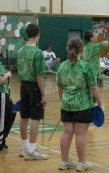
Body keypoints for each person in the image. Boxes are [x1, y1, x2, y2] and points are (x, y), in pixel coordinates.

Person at [57, 37, 102, 171]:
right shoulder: (85, 66)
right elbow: (94, 88)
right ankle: (81, 163)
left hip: (66, 105)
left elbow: (60, 88)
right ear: (81, 49)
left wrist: (64, 101)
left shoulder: (62, 66)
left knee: (67, 132)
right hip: (83, 106)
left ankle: (64, 162)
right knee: (80, 134)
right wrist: (100, 103)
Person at [17, 23, 48, 160]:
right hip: (35, 87)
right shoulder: (37, 52)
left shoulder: (20, 51)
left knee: (24, 116)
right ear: (38, 35)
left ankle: (24, 147)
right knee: (35, 117)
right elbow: (39, 75)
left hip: (23, 86)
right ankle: (32, 149)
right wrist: (44, 94)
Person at [0, 45, 13, 153]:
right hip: (1, 93)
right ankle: (1, 141)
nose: (1, 47)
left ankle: (3, 139)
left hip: (5, 93)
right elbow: (0, 80)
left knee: (11, 112)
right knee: (3, 119)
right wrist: (7, 75)